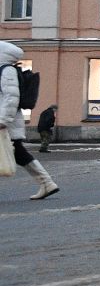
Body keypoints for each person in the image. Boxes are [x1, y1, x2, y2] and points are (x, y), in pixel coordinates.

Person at [1, 42, 57, 200]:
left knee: (18, 153)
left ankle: (47, 182)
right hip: (7, 122)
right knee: (19, 153)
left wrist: (3, 121)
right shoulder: (5, 70)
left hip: (6, 124)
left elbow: (11, 98)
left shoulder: (7, 71)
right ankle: (47, 183)